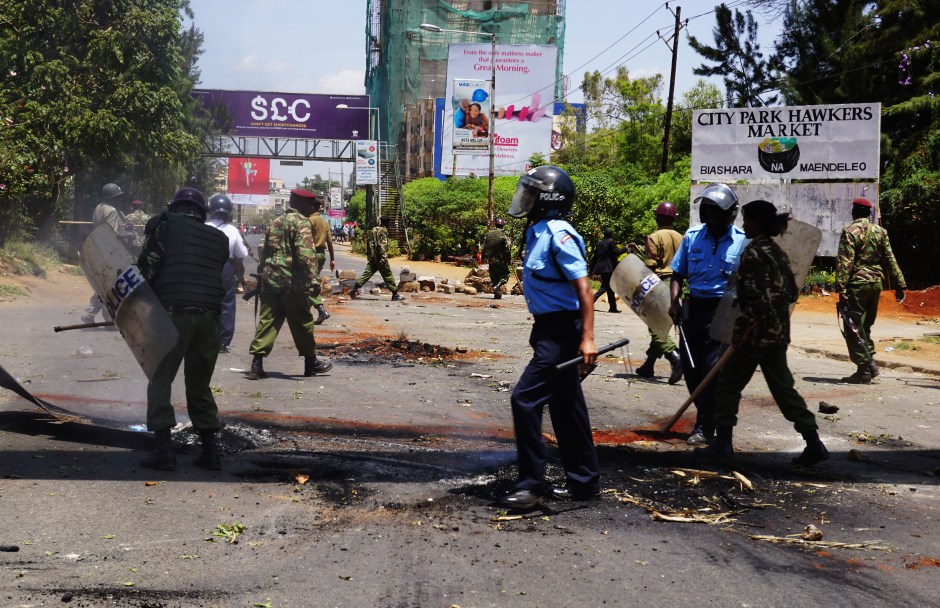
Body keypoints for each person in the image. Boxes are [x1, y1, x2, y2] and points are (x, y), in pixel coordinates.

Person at [695, 200, 829, 466]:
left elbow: (757, 300)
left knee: (728, 386)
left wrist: (741, 333)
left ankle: (722, 444)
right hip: (777, 334)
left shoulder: (755, 253)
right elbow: (790, 292)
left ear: (756, 223)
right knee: (784, 390)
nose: (743, 225)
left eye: (746, 220)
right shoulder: (777, 252)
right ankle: (814, 442)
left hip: (754, 336)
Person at [497, 165, 600, 510]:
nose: (524, 199)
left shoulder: (559, 234)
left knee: (524, 399)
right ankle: (584, 482)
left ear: (548, 199)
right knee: (566, 406)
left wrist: (587, 338)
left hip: (563, 332)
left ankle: (531, 484)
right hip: (547, 329)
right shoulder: (537, 232)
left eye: (531, 193)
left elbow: (584, 289)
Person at [136, 187, 230, 471]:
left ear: (175, 207)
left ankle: (164, 450)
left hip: (173, 315)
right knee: (199, 383)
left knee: (160, 379)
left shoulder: (165, 224)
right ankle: (210, 452)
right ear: (202, 212)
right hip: (210, 319)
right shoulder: (220, 238)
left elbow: (148, 268)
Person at [669, 183, 747, 445]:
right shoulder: (692, 236)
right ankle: (706, 417)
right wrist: (674, 301)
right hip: (693, 310)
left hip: (723, 310)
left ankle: (704, 426)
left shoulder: (741, 240)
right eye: (709, 214)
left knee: (711, 368)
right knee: (692, 368)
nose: (713, 219)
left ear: (730, 215)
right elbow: (678, 274)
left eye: (718, 215)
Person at [247, 189, 333, 380]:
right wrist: (313, 281)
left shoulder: (274, 222)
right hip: (292, 283)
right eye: (310, 205)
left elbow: (265, 252)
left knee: (267, 321)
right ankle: (311, 363)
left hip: (271, 281)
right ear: (302, 204)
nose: (312, 208)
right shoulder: (301, 223)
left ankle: (256, 364)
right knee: (302, 322)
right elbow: (306, 255)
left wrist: (262, 274)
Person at [835, 198, 906, 384]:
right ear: (868, 213)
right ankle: (870, 363)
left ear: (854, 212)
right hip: (876, 283)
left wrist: (841, 287)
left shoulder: (849, 231)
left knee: (853, 327)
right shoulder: (880, 231)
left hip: (857, 285)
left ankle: (864, 368)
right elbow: (890, 258)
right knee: (865, 326)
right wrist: (900, 284)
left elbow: (845, 262)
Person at [636, 202, 684, 384]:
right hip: (679, 284)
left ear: (659, 217)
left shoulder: (654, 237)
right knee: (663, 324)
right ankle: (649, 365)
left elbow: (650, 266)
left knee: (654, 324)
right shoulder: (682, 237)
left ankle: (674, 356)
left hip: (661, 282)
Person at [81, 183, 137, 324]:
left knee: (107, 283)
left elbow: (105, 227)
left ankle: (106, 316)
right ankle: (93, 313)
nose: (120, 200)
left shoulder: (99, 208)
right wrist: (129, 234)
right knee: (111, 284)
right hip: (110, 251)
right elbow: (113, 234)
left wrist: (123, 226)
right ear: (113, 197)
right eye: (118, 197)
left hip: (100, 249)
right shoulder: (112, 210)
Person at [205, 193, 249, 353]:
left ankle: (204, 337)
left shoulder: (205, 227)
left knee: (205, 301)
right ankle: (223, 342)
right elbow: (242, 253)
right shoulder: (232, 230)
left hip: (205, 267)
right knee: (227, 303)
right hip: (225, 268)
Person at [348, 215, 403, 301]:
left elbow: (369, 243)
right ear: (387, 223)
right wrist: (384, 258)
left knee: (366, 274)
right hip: (380, 258)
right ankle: (395, 294)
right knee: (388, 275)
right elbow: (382, 246)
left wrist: (370, 255)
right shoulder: (383, 231)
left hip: (374, 257)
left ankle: (353, 289)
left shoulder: (374, 229)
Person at [308, 195, 335, 324]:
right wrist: (332, 259)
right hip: (321, 255)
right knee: (312, 282)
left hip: (310, 255)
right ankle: (305, 311)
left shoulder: (309, 221)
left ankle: (320, 309)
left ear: (311, 207)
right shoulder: (325, 222)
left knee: (308, 284)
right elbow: (330, 242)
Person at [589, 229, 623, 313]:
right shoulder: (611, 242)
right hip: (609, 269)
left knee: (609, 287)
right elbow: (617, 252)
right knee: (605, 287)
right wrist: (625, 248)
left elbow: (595, 257)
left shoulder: (599, 243)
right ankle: (589, 302)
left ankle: (613, 308)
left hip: (601, 268)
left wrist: (592, 269)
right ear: (611, 235)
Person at [483, 218, 511, 299]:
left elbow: (484, 247)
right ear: (502, 225)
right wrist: (509, 259)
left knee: (494, 277)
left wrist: (484, 258)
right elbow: (506, 249)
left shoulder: (488, 234)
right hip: (500, 259)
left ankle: (497, 294)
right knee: (505, 274)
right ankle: (498, 286)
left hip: (490, 259)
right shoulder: (502, 234)